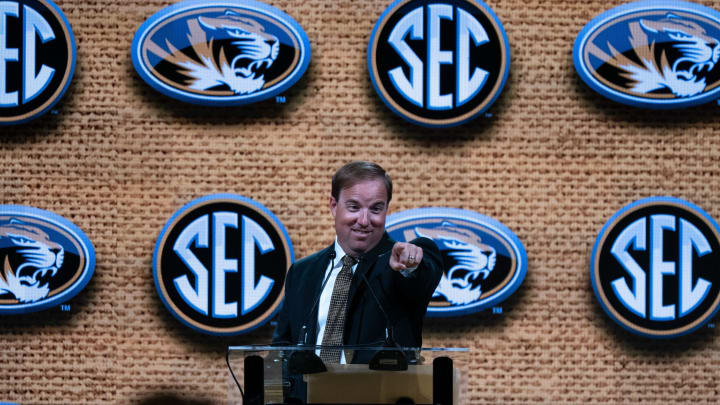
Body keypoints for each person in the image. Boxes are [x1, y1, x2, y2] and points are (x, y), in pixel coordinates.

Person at [272, 161, 443, 363]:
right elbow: (280, 351)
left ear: (386, 209)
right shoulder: (302, 272)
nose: (363, 220)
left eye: (375, 209)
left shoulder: (396, 263)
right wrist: (271, 394)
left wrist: (411, 265)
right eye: (354, 207)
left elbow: (422, 274)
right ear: (334, 206)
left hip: (378, 392)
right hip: (310, 393)